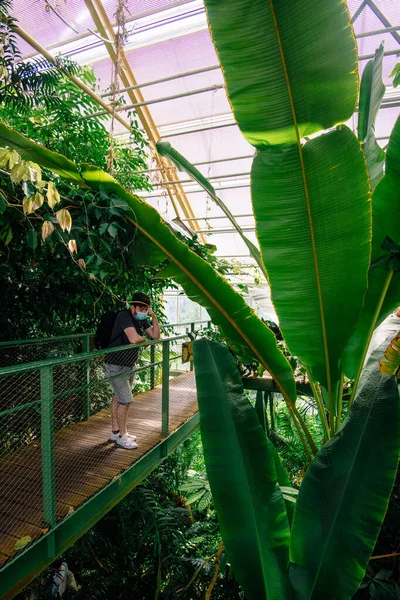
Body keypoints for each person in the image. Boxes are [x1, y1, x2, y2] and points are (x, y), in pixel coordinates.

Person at [105, 291, 160, 449]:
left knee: (118, 396)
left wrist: (154, 318)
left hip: (129, 364)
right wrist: (143, 339)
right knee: (126, 401)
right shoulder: (124, 317)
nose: (143, 311)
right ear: (133, 306)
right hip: (115, 366)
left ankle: (115, 432)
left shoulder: (140, 320)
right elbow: (134, 339)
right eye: (140, 308)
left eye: (146, 309)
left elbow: (155, 336)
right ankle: (123, 436)